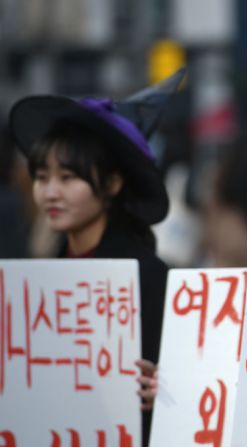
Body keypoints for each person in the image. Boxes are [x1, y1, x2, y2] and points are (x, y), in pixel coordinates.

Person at [9, 68, 185, 446]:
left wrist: (164, 386)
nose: (50, 193)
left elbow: (185, 389)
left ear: (112, 183)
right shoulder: (37, 281)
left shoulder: (151, 277)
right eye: (42, 177)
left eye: (68, 178)